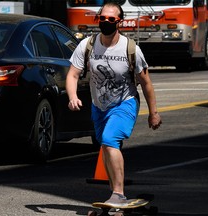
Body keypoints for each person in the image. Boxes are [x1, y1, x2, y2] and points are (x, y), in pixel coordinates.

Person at [66, 2, 162, 207]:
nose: (106, 22)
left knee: (110, 139)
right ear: (98, 19)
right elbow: (73, 74)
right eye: (103, 18)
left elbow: (146, 83)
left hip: (124, 103)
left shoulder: (130, 48)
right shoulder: (87, 45)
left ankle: (118, 194)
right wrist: (72, 96)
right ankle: (115, 198)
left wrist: (153, 113)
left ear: (119, 21)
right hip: (99, 106)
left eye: (111, 19)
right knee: (107, 146)